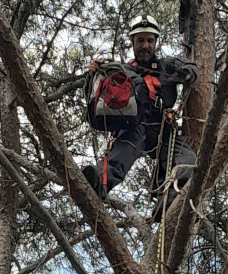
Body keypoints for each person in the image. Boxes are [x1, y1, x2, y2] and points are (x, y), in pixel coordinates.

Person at [83, 14, 199, 218]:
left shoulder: (167, 65)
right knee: (119, 158)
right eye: (140, 40)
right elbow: (101, 87)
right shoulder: (122, 70)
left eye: (149, 40)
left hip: (162, 130)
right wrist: (94, 71)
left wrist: (188, 74)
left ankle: (170, 200)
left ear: (155, 42)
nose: (145, 45)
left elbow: (190, 67)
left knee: (188, 160)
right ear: (132, 42)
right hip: (132, 127)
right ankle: (97, 183)